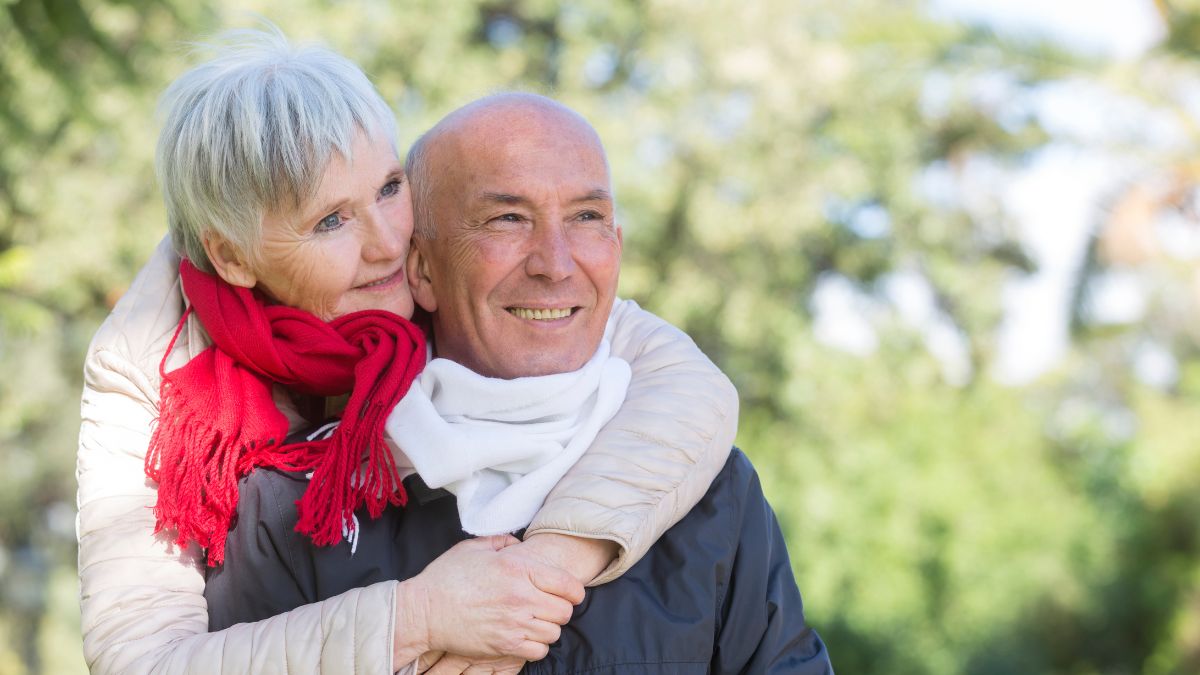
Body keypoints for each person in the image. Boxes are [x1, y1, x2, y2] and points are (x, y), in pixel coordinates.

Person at [76, 29, 739, 674]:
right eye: (331, 220)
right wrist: (417, 617)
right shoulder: (146, 369)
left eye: (390, 187)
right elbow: (141, 661)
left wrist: (545, 573)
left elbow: (685, 386)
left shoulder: (428, 273)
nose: (389, 243)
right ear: (230, 254)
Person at [206, 93, 834, 673]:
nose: (556, 264)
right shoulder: (291, 507)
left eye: (586, 216)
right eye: (508, 219)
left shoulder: (710, 488)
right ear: (420, 268)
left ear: (616, 246)